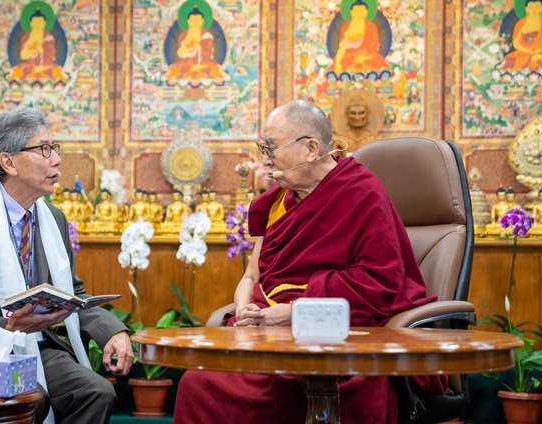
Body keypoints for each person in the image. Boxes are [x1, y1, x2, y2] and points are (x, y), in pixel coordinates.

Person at [174, 100, 445, 424]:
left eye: (271, 147)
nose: (265, 159)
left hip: (335, 334)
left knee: (293, 380)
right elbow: (252, 275)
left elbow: (378, 283)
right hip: (267, 330)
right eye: (263, 147)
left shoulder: (361, 192)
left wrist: (295, 313)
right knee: (198, 381)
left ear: (311, 148)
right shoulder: (276, 202)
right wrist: (244, 307)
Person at [0, 107, 133, 424]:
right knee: (32, 397)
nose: (56, 160)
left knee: (96, 392)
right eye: (44, 149)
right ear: (9, 162)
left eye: (54, 148)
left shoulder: (53, 219)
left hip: (37, 347)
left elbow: (72, 294)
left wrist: (112, 331)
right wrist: (7, 328)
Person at [165, 4, 227, 81]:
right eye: (192, 20)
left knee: (215, 68)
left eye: (198, 20)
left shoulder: (207, 35)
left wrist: (200, 48)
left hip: (203, 64)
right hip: (186, 64)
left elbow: (209, 55)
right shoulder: (183, 35)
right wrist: (188, 44)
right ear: (188, 22)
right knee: (174, 68)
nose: (195, 23)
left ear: (202, 21)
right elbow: (180, 54)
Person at [7, 6, 66, 81]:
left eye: (40, 22)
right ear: (31, 23)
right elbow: (22, 56)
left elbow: (51, 57)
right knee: (16, 69)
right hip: (28, 65)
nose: (37, 24)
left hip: (45, 66)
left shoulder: (49, 38)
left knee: (57, 69)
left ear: (44, 23)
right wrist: (32, 48)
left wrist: (41, 51)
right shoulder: (26, 37)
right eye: (35, 22)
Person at [333, 0, 389, 75]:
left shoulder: (371, 26)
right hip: (350, 55)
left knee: (378, 59)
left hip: (366, 55)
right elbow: (342, 47)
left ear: (366, 12)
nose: (359, 13)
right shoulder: (345, 27)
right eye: (356, 11)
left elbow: (374, 44)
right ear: (351, 13)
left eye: (362, 11)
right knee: (339, 60)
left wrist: (364, 53)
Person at [502, 0, 542, 70]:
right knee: (511, 59)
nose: (534, 9)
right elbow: (516, 42)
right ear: (526, 9)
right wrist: (528, 50)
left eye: (537, 6)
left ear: (541, 8)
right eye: (531, 7)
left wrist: (538, 51)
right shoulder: (520, 23)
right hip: (524, 52)